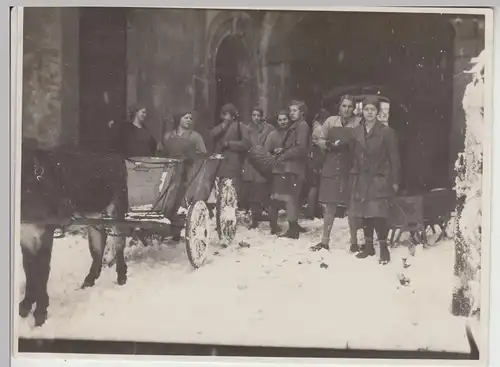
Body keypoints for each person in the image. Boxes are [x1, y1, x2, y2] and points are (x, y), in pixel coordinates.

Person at [350, 96, 401, 265]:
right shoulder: (356, 131)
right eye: (366, 109)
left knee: (379, 213)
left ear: (378, 112)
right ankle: (369, 247)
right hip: (363, 177)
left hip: (380, 177)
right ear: (362, 111)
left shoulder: (386, 131)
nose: (369, 112)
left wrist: (395, 180)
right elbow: (353, 154)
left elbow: (394, 157)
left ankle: (383, 248)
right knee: (365, 212)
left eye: (372, 109)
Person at [310, 95, 362, 252]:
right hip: (332, 165)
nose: (346, 110)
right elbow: (318, 139)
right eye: (344, 106)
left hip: (350, 167)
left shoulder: (358, 123)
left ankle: (354, 243)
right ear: (339, 107)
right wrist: (327, 144)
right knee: (330, 205)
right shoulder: (330, 121)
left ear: (354, 108)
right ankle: (324, 242)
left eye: (350, 107)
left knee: (351, 207)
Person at [269, 101, 311, 239]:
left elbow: (300, 148)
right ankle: (294, 225)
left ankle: (293, 230)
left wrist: (283, 155)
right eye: (291, 110)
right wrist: (285, 149)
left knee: (291, 198)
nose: (292, 113)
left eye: (295, 110)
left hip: (294, 167)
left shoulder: (302, 126)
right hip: (293, 167)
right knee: (292, 198)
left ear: (302, 112)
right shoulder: (296, 126)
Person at [242, 106, 275, 229]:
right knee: (252, 190)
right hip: (251, 161)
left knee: (263, 189)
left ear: (262, 116)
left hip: (264, 161)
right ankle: (254, 218)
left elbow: (274, 140)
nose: (256, 118)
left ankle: (270, 217)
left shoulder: (269, 129)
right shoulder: (247, 129)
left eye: (258, 115)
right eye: (253, 115)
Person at [210, 103, 251, 202]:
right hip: (220, 165)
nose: (223, 117)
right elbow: (211, 136)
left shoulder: (240, 127)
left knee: (231, 193)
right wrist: (222, 127)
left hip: (233, 164)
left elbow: (246, 144)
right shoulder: (220, 127)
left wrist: (229, 144)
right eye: (222, 114)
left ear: (233, 116)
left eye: (226, 114)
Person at [264, 110, 290, 235]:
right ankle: (273, 226)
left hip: (290, 169)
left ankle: (292, 224)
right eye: (280, 120)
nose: (282, 122)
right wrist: (274, 151)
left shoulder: (293, 133)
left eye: (285, 119)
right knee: (274, 199)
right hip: (277, 170)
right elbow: (265, 152)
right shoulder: (272, 135)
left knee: (291, 199)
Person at [305, 108, 331, 219]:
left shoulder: (315, 127)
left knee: (314, 185)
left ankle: (313, 210)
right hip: (317, 157)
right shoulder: (320, 129)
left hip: (313, 157)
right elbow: (321, 146)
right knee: (315, 186)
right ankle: (311, 212)